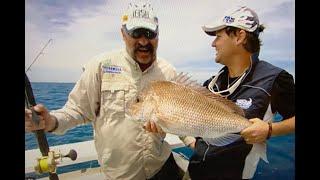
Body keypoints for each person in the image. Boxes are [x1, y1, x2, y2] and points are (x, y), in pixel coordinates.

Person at [25, 1, 183, 180]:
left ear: (158, 35)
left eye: (149, 33)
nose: (144, 41)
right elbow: (77, 111)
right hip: (120, 176)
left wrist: (195, 141)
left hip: (162, 169)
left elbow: (185, 116)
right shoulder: (100, 66)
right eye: (136, 33)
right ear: (123, 34)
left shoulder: (168, 71)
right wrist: (50, 121)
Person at [182, 6, 295, 179]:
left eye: (218, 37)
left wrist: (270, 130)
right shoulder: (211, 84)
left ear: (239, 37)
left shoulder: (275, 79)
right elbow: (199, 132)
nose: (213, 43)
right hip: (193, 173)